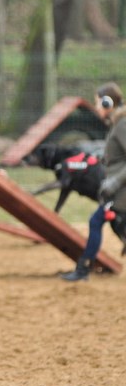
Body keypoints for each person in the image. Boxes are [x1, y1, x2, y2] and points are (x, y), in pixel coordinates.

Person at [63, 82, 126, 281]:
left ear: (108, 104)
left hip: (121, 191)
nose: (96, 107)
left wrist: (114, 183)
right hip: (118, 190)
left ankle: (82, 270)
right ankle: (82, 269)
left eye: (98, 103)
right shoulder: (117, 123)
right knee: (106, 223)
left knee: (96, 221)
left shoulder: (123, 124)